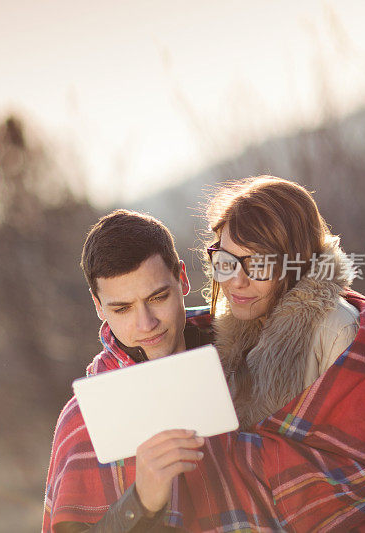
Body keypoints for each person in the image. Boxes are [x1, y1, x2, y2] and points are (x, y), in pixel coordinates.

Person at [166, 176, 365, 530]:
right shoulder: (229, 328)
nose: (236, 281)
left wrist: (239, 457)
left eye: (258, 264)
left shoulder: (339, 329)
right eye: (226, 260)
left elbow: (361, 470)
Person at [42, 209, 213, 532]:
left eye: (158, 297)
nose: (146, 323)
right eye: (122, 309)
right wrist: (141, 502)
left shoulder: (249, 350)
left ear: (183, 278)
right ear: (98, 306)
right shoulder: (85, 418)